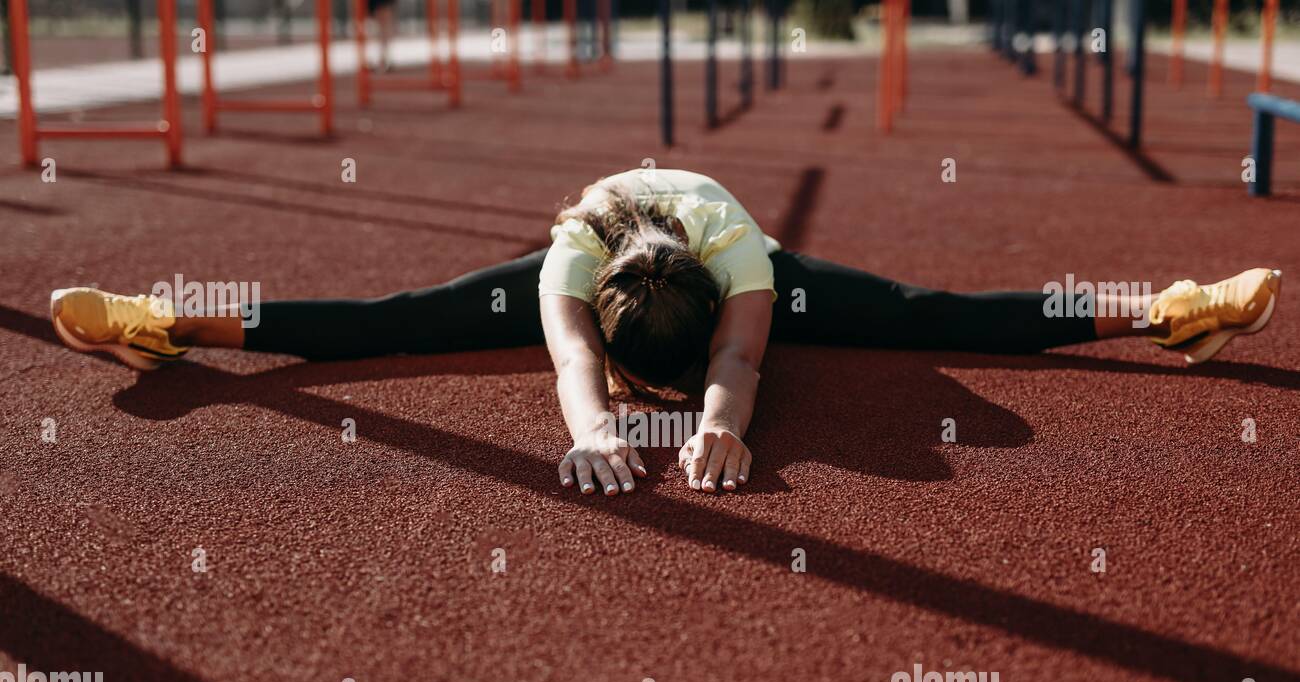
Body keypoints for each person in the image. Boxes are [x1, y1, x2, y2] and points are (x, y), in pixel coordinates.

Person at [47, 168, 1283, 497]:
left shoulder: (746, 270)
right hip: (604, 248)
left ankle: (1168, 309)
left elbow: (742, 358)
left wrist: (720, 428)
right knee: (383, 323)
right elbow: (579, 363)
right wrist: (590, 434)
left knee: (933, 316)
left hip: (730, 254)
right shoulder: (567, 271)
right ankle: (168, 323)